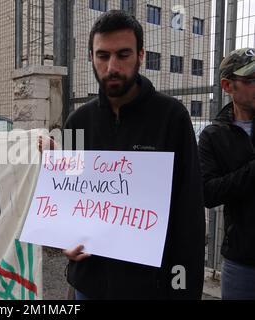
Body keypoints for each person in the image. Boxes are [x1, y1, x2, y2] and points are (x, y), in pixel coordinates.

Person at [43, 10, 205, 299]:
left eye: (123, 54)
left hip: (148, 288)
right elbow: (66, 203)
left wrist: (183, 286)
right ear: (91, 56)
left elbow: (188, 211)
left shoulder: (172, 117)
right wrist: (63, 237)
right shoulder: (77, 121)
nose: (112, 66)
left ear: (141, 55)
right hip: (88, 284)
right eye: (103, 55)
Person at [198, 48, 255, 300]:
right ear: (227, 85)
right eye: (250, 80)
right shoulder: (214, 135)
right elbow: (207, 193)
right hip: (242, 260)